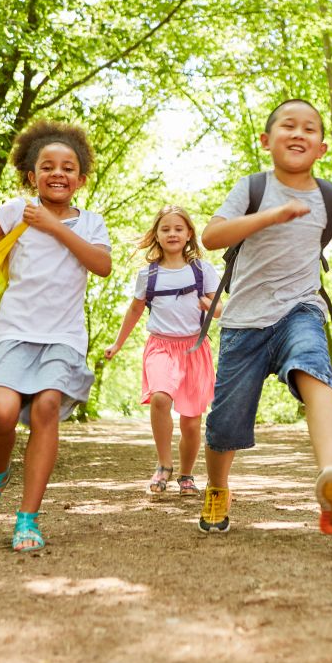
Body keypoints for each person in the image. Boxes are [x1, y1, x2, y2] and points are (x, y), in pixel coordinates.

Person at [197, 98, 332, 535]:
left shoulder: (329, 197)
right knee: (226, 421)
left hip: (302, 307)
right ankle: (217, 487)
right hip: (244, 321)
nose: (299, 133)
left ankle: (331, 473)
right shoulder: (252, 188)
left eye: (309, 128)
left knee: (314, 368)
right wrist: (270, 214)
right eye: (288, 126)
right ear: (266, 141)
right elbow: (212, 236)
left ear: (322, 148)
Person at [0, 120, 111, 552]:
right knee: (2, 412)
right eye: (47, 166)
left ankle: (27, 518)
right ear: (32, 176)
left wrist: (53, 227)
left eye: (68, 168)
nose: (58, 173)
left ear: (81, 179)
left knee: (47, 408)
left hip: (64, 336)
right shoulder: (14, 211)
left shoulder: (91, 223)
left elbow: (102, 265)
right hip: (14, 331)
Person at [104, 205, 219, 496]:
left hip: (194, 348)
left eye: (178, 229)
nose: (172, 234)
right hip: (161, 346)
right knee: (159, 397)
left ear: (189, 233)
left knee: (192, 423)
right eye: (165, 229)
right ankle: (164, 465)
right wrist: (117, 343)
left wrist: (208, 305)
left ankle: (187, 475)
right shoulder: (148, 274)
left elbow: (218, 310)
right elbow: (134, 310)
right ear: (156, 234)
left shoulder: (203, 270)